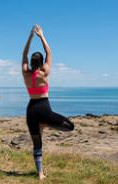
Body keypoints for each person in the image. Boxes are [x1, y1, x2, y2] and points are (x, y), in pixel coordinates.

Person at [22, 25, 75, 180]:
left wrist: (30, 37)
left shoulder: (26, 73)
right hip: (44, 109)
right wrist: (41, 36)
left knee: (37, 145)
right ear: (42, 62)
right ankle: (46, 124)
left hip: (31, 109)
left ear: (31, 62)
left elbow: (24, 53)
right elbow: (49, 52)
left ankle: (40, 174)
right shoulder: (44, 72)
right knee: (70, 126)